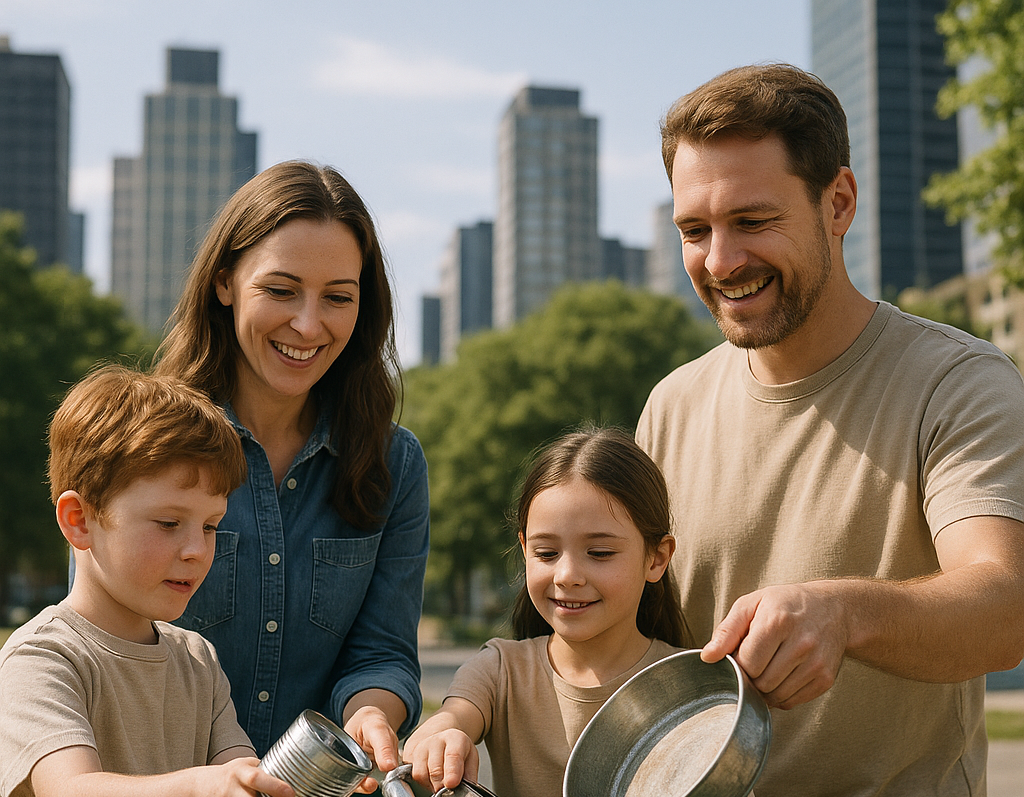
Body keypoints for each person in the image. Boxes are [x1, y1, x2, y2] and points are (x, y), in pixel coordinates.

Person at [637, 62, 1024, 796]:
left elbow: (1007, 606)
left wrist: (845, 613)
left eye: (752, 221)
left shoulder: (958, 381)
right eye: (696, 230)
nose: (721, 260)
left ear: (838, 203)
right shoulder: (669, 407)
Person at [151, 160, 430, 791]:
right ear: (224, 282)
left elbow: (383, 653)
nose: (309, 325)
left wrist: (370, 715)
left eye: (338, 297)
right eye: (280, 290)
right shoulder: (143, 446)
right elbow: (100, 637)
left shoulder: (396, 465)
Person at [0, 365, 294, 797]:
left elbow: (241, 776)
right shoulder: (42, 658)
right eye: (169, 522)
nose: (197, 549)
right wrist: (200, 786)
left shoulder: (198, 660)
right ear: (80, 520)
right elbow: (70, 788)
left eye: (211, 526)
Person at [402, 426, 692, 797]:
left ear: (657, 557)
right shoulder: (500, 671)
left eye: (600, 553)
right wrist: (442, 738)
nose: (567, 576)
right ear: (524, 550)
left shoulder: (692, 684)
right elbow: (448, 720)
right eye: (546, 553)